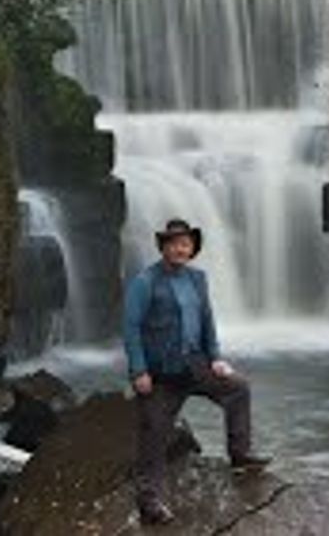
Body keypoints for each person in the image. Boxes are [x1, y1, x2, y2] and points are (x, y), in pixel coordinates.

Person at [123, 218, 270, 524]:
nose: (181, 248)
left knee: (238, 387)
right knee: (154, 434)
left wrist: (215, 357)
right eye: (175, 243)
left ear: (192, 249)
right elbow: (131, 328)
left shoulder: (197, 279)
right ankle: (150, 503)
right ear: (164, 247)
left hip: (195, 364)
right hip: (161, 372)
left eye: (186, 244)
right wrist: (138, 371)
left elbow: (207, 321)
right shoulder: (145, 281)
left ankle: (239, 455)